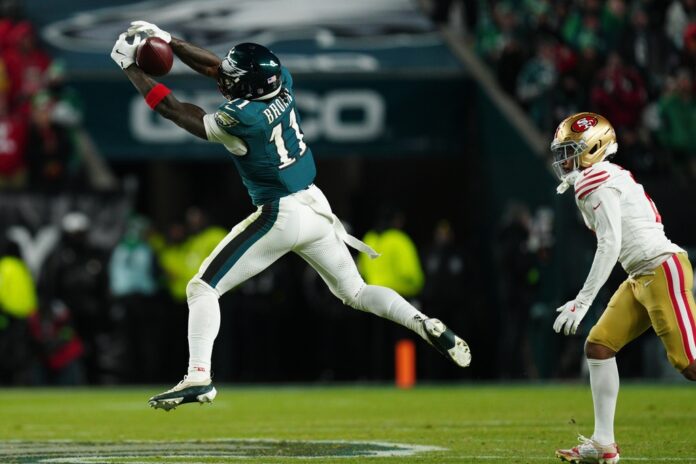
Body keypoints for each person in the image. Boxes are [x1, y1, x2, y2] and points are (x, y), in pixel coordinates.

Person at [111, 21, 471, 410]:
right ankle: (423, 322)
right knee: (355, 292)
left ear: (250, 87)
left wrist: (131, 68)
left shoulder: (243, 119)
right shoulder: (281, 81)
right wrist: (169, 40)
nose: (226, 78)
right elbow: (219, 69)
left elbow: (174, 110)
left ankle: (199, 376)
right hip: (316, 206)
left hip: (280, 214)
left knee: (202, 288)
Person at [549, 112, 696, 463]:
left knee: (691, 365)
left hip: (661, 269)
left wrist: (583, 301)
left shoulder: (595, 180)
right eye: (562, 152)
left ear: (593, 148)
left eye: (570, 151)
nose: (564, 160)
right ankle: (604, 443)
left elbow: (610, 244)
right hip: (640, 275)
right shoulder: (601, 176)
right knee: (599, 346)